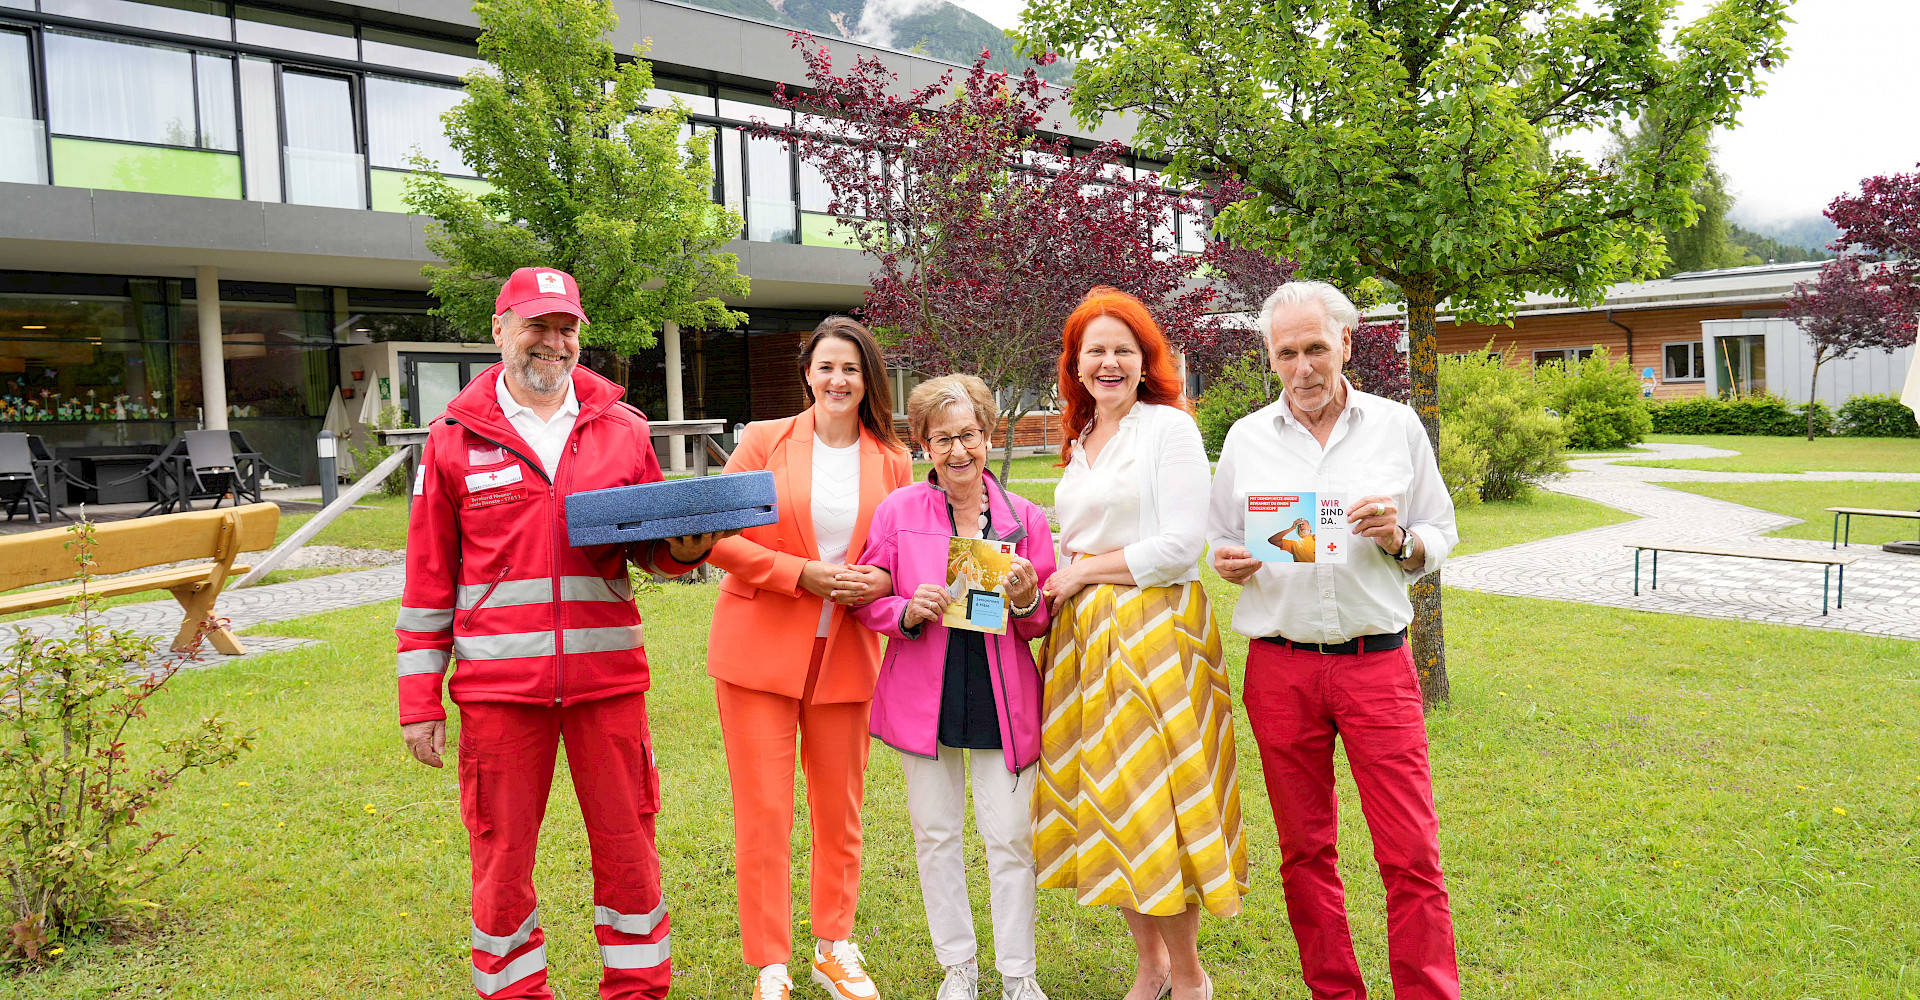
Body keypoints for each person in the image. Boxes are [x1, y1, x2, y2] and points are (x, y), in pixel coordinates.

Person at [395, 267, 732, 1000]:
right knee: (501, 859)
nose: (553, 343)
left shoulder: (625, 428)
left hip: (606, 684)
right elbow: (428, 581)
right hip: (497, 694)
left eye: (566, 328)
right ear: (499, 330)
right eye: (537, 326)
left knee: (629, 850)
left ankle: (637, 990)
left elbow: (650, 549)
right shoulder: (451, 439)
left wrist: (689, 544)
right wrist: (419, 699)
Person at [1205, 281, 1461, 1000]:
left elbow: (1439, 530)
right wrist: (1227, 561)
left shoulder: (1395, 426)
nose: (1303, 367)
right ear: (1271, 357)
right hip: (1280, 670)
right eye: (1286, 352)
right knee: (1305, 852)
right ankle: (1335, 992)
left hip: (1375, 664)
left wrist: (1402, 538)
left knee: (1411, 853)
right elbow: (1223, 538)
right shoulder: (1246, 438)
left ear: (1347, 344)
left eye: (1316, 347)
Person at [1034, 287, 1248, 1000]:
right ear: (1076, 364)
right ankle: (1149, 964)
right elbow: (1076, 535)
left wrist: (1083, 571)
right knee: (1116, 799)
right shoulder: (1081, 436)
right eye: (1094, 351)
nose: (1108, 362)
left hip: (1157, 630)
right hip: (1085, 638)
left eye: (1123, 349)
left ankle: (1188, 974)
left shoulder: (1168, 428)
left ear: (1145, 359)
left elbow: (1182, 543)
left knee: (1161, 800)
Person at [704, 317, 914, 1000]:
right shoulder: (764, 441)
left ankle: (835, 944)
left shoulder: (893, 458)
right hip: (757, 653)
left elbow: (903, 556)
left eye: (850, 369)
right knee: (764, 811)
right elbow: (716, 535)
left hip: (849, 653)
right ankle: (771, 962)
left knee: (839, 808)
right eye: (826, 367)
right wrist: (802, 574)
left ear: (868, 379)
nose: (837, 380)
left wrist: (879, 582)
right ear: (807, 373)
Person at [849, 375, 1058, 1000]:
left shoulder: (1027, 520)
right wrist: (907, 610)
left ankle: (1018, 975)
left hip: (1001, 696)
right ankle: (958, 968)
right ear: (924, 445)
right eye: (942, 439)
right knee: (936, 834)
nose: (958, 451)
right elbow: (868, 596)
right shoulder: (898, 513)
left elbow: (1042, 620)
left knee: (1011, 838)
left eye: (968, 435)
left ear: (988, 437)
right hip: (926, 695)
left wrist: (1025, 602)